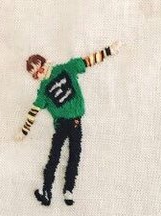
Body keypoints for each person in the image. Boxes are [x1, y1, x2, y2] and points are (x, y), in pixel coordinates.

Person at [16, 42, 121, 206]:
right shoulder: (43, 90)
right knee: (55, 156)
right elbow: (34, 110)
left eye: (40, 69)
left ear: (45, 63)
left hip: (75, 121)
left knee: (74, 155)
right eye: (35, 75)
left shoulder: (65, 69)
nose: (40, 75)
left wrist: (108, 51)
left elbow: (86, 61)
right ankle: (47, 190)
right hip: (61, 124)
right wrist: (24, 130)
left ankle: (68, 190)